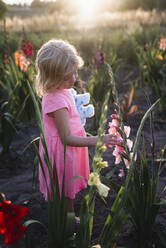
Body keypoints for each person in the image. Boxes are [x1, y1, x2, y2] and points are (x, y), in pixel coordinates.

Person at [35, 39, 118, 215]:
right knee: (65, 189)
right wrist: (99, 139)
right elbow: (66, 137)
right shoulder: (56, 101)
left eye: (74, 73)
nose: (73, 79)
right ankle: (68, 220)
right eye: (67, 77)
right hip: (62, 153)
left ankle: (66, 216)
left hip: (68, 150)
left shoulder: (60, 91)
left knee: (66, 188)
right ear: (52, 78)